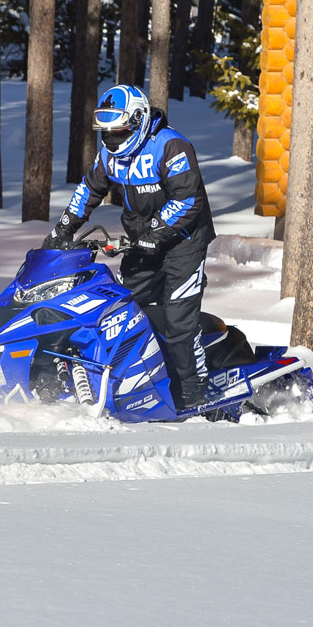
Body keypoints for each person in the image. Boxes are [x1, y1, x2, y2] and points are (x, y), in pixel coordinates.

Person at [43, 84, 216, 411]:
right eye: (105, 134)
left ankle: (195, 393)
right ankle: (126, 382)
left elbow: (188, 200)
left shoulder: (170, 147)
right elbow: (88, 190)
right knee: (119, 311)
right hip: (142, 242)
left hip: (184, 243)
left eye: (117, 132)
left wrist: (157, 231)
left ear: (137, 122)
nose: (110, 141)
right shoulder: (109, 154)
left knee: (179, 319)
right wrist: (63, 229)